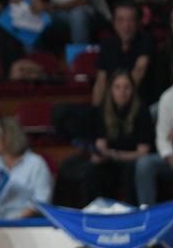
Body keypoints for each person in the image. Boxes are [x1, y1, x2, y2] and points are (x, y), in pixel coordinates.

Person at [59, 70, 152, 206]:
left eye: (126, 87)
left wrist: (116, 155)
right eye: (117, 87)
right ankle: (96, 211)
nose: (122, 91)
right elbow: (101, 143)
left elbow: (143, 152)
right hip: (110, 160)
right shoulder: (104, 110)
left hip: (131, 160)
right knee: (91, 169)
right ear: (111, 90)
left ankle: (131, 212)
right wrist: (99, 153)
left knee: (130, 169)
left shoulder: (142, 111)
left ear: (133, 90)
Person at [0, 116, 53, 220]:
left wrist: (14, 221)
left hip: (28, 226)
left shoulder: (36, 163)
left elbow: (42, 201)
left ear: (10, 135)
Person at [91, 1, 153, 107]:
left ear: (138, 23)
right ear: (114, 23)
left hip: (141, 105)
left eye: (130, 20)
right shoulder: (107, 45)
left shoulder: (146, 41)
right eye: (121, 20)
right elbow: (101, 81)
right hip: (111, 106)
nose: (126, 25)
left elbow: (139, 71)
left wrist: (118, 102)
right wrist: (96, 112)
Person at [134, 78, 173, 205]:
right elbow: (162, 139)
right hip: (171, 158)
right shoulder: (168, 97)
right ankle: (148, 215)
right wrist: (171, 158)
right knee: (145, 164)